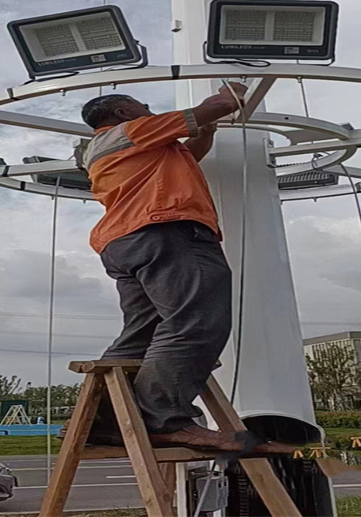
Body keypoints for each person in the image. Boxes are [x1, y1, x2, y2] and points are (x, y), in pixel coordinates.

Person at [77, 85, 287, 454]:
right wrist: (229, 91)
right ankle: (165, 421)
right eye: (142, 105)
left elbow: (189, 154)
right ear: (124, 111)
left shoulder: (117, 148)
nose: (149, 109)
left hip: (126, 241)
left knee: (143, 334)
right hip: (167, 230)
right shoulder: (132, 130)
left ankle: (105, 420)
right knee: (195, 321)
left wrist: (205, 129)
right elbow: (218, 105)